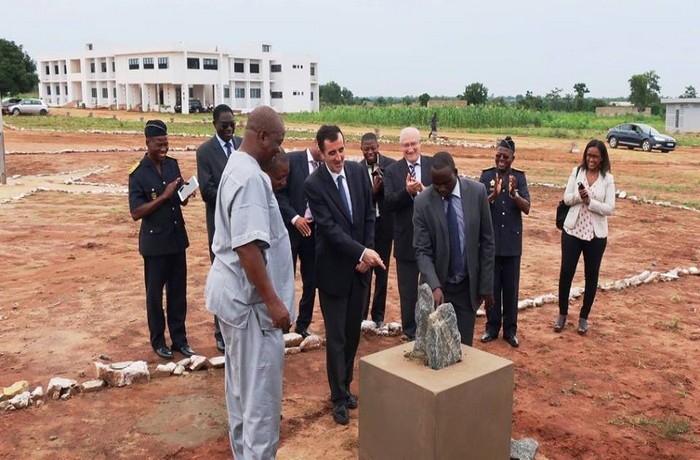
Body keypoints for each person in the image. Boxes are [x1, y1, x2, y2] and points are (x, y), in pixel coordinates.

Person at [204, 106, 294, 458]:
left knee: (241, 395)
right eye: (278, 142)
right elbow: (247, 247)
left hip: (235, 302)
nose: (278, 150)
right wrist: (274, 301)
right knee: (260, 405)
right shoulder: (252, 178)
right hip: (253, 310)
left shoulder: (236, 165)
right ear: (261, 136)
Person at [304, 125, 385, 425]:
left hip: (360, 272)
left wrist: (367, 252)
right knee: (336, 338)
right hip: (334, 274)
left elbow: (368, 217)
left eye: (340, 150)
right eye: (331, 153)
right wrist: (362, 253)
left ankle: (346, 385)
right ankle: (338, 397)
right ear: (321, 152)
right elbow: (330, 231)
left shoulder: (356, 172)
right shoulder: (314, 184)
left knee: (352, 335)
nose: (338, 157)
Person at [128, 120, 196, 360]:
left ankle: (180, 340)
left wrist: (185, 193)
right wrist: (164, 196)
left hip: (177, 240)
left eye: (166, 144)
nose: (164, 149)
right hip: (155, 246)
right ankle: (158, 341)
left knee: (178, 294)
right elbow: (136, 212)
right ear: (147, 143)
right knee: (155, 297)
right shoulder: (138, 174)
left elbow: (177, 200)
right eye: (159, 145)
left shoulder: (172, 166)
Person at [413, 151, 495, 346]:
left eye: (446, 183)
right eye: (436, 184)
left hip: (467, 289)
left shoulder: (477, 193)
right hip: (439, 289)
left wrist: (486, 286)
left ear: (456, 173)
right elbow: (422, 250)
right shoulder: (422, 202)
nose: (441, 189)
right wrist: (434, 285)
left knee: (463, 349)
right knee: (436, 349)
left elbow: (487, 242)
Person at [555, 139, 615, 335]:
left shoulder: (608, 179)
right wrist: (580, 197)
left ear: (602, 158)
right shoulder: (577, 172)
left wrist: (591, 202)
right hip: (573, 230)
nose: (591, 159)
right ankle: (562, 314)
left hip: (595, 236)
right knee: (566, 273)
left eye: (595, 156)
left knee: (591, 276)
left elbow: (610, 208)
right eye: (589, 155)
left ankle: (583, 318)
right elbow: (566, 198)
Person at [196, 104, 242, 353]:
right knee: (223, 277)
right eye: (224, 125)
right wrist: (236, 195)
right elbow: (207, 191)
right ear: (214, 124)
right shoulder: (205, 152)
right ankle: (221, 332)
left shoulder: (242, 144)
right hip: (220, 226)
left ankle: (240, 326)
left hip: (244, 225)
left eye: (232, 124)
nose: (229, 128)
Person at [479, 136, 530, 348]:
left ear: (513, 158)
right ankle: (492, 327)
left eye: (505, 156)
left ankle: (510, 330)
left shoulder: (519, 178)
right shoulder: (486, 176)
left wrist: (513, 194)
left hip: (511, 244)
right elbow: (477, 205)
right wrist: (493, 195)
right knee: (491, 288)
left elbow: (527, 207)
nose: (501, 159)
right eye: (498, 155)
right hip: (491, 244)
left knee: (510, 289)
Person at [383, 127, 433, 340]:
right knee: (408, 291)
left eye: (414, 144)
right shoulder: (393, 171)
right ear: (400, 146)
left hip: (431, 240)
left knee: (430, 286)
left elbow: (443, 194)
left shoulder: (432, 165)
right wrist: (407, 192)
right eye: (406, 145)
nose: (410, 148)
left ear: (420, 144)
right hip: (405, 240)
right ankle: (410, 333)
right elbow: (389, 202)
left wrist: (424, 190)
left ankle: (430, 329)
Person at [275, 143, 324, 338]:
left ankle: (303, 324)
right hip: (291, 228)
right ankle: (283, 324)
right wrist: (295, 219)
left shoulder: (324, 166)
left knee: (311, 278)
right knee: (286, 277)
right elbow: (279, 195)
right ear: (316, 145)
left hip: (313, 231)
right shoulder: (293, 160)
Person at [359, 132, 396, 327]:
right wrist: (372, 191)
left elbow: (395, 194)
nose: (370, 152)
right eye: (367, 149)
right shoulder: (356, 169)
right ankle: (362, 316)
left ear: (378, 146)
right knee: (364, 270)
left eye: (373, 148)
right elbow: (358, 201)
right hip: (367, 227)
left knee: (382, 270)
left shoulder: (390, 165)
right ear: (361, 149)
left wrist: (384, 185)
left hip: (384, 226)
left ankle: (378, 316)